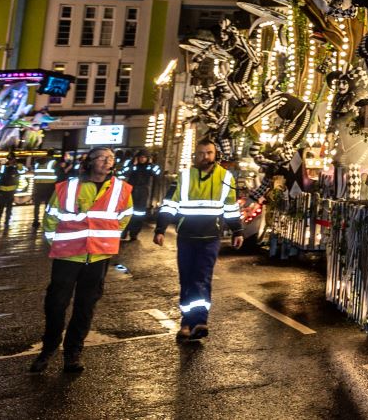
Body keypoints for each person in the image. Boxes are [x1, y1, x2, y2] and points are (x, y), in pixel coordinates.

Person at [32, 147, 132, 373]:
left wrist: (108, 240)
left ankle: (73, 353)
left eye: (111, 158)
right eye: (102, 158)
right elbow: (51, 218)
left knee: (85, 307)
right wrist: (58, 243)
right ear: (89, 162)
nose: (108, 162)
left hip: (98, 257)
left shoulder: (121, 188)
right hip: (68, 255)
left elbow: (125, 216)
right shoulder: (68, 187)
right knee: (56, 304)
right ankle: (48, 349)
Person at [154, 138, 243, 339]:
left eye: (209, 153)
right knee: (187, 279)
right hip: (187, 236)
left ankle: (200, 322)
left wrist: (237, 231)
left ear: (216, 155)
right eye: (201, 153)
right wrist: (160, 228)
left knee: (202, 278)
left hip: (211, 236)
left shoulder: (225, 177)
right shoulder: (184, 177)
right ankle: (186, 323)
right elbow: (169, 204)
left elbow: (231, 208)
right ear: (195, 156)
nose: (205, 157)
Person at [122, 153, 160, 241]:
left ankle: (134, 233)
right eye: (141, 157)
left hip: (142, 192)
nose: (142, 159)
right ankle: (124, 232)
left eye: (144, 157)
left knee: (139, 214)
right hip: (131, 190)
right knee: (127, 212)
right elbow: (125, 172)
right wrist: (133, 164)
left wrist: (151, 164)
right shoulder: (132, 165)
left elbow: (157, 174)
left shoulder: (149, 167)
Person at [0, 155, 24, 226]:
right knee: (8, 207)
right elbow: (22, 171)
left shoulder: (5, 167)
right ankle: (5, 221)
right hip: (10, 191)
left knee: (1, 207)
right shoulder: (16, 167)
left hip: (4, 190)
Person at [29, 151, 61, 218]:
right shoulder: (53, 163)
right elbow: (59, 174)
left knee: (37, 205)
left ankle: (35, 221)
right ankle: (45, 219)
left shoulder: (37, 163)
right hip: (49, 186)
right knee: (48, 204)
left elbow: (33, 170)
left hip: (38, 186)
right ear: (52, 156)